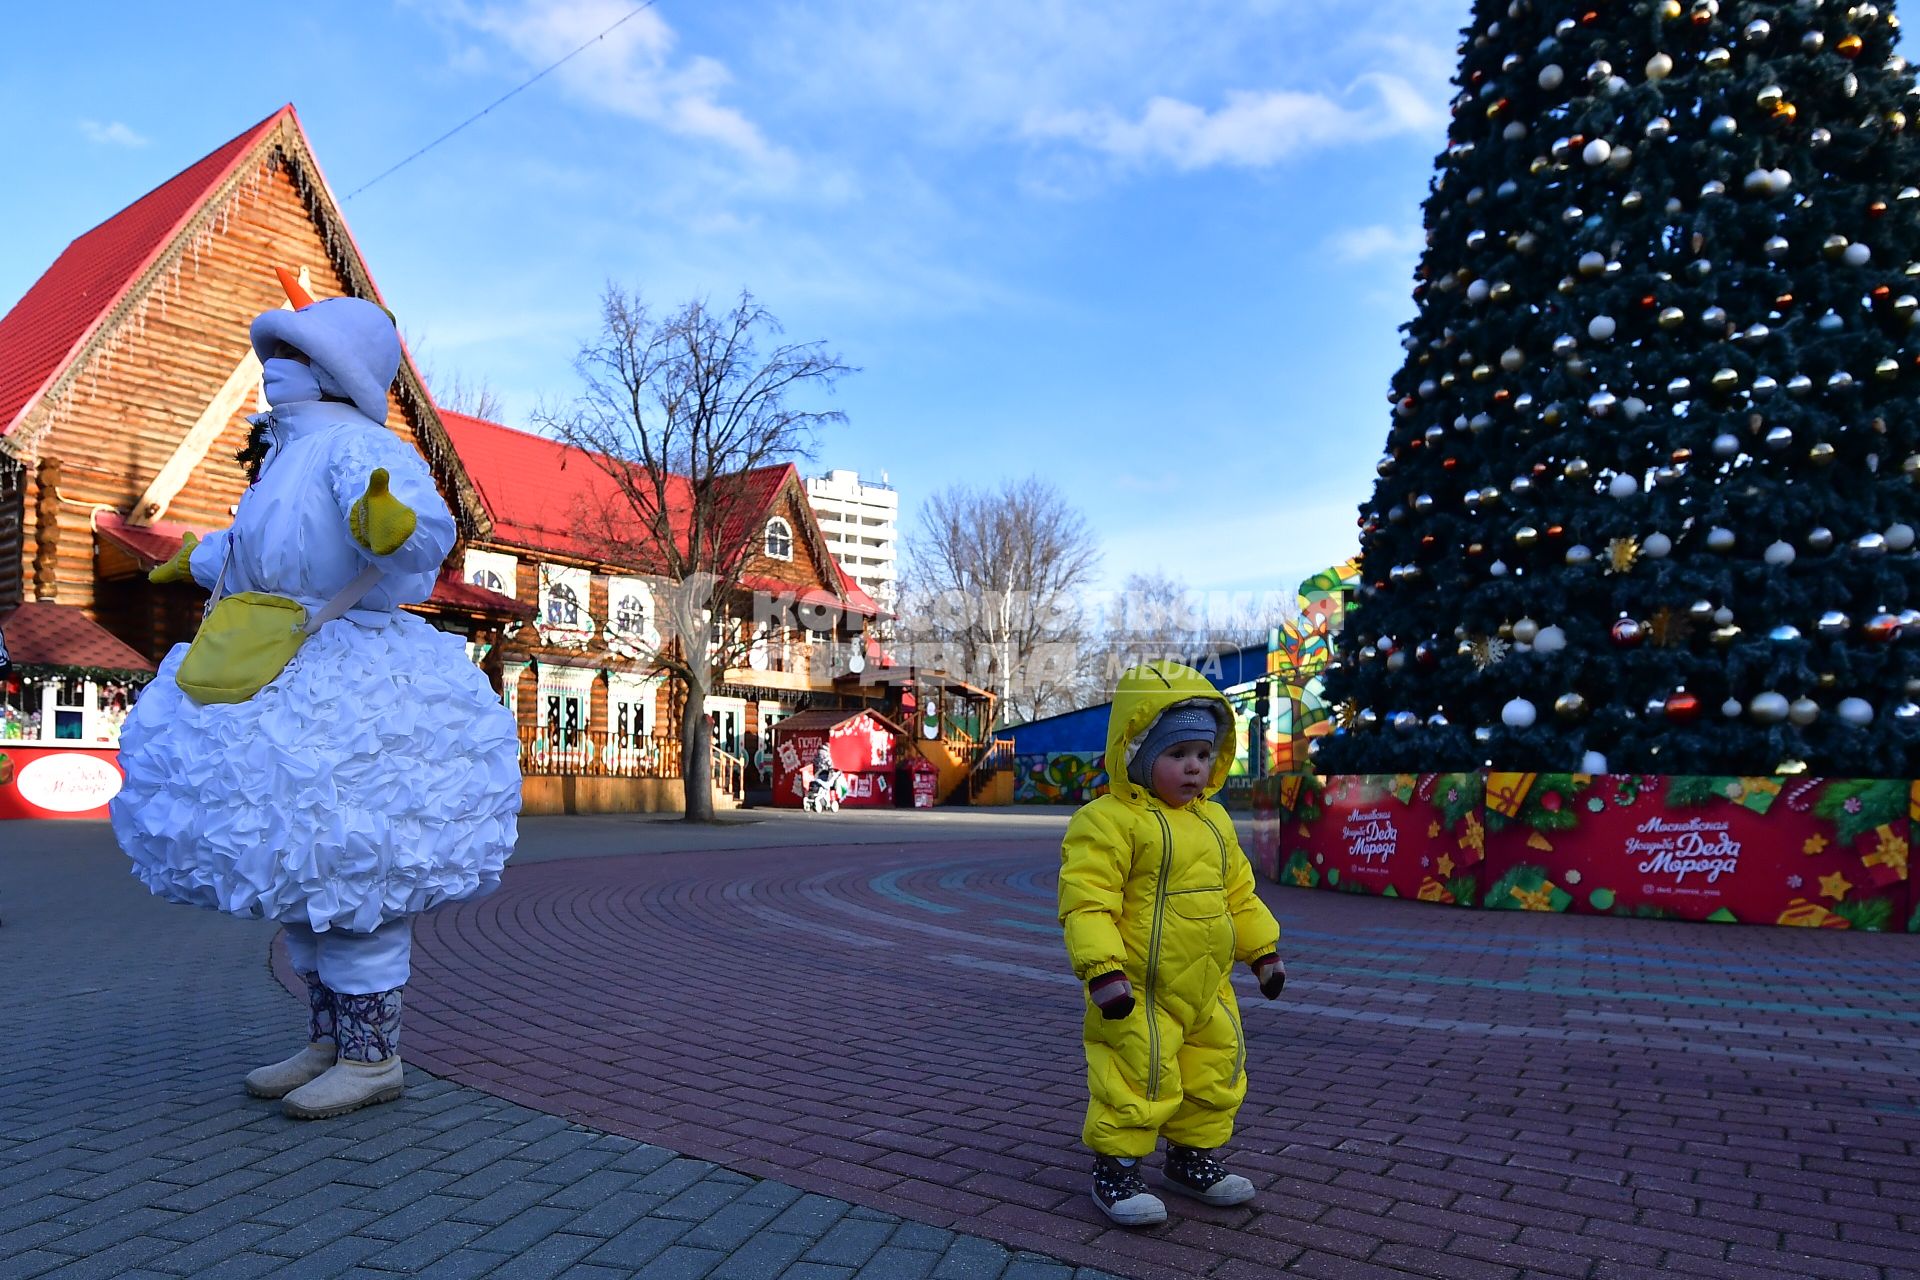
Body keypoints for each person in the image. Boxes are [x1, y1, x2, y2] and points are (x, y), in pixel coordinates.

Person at [111, 269, 521, 1120]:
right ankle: (329, 1040)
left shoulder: (356, 446)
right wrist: (192, 559)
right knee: (305, 873)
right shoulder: (287, 451)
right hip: (273, 657)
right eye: (277, 352)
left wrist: (392, 524)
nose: (274, 366)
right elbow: (252, 545)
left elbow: (415, 526)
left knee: (354, 863)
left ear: (333, 374)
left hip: (347, 664)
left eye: (294, 353)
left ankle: (376, 1060)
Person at [1058, 660, 1286, 1226]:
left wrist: (1263, 953)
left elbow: (1240, 895)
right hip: (1135, 987)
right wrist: (1104, 970)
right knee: (1137, 1070)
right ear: (1137, 755)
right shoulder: (1108, 821)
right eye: (1177, 754)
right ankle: (1116, 1168)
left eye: (1204, 755)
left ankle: (1191, 1157)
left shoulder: (1215, 823)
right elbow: (1088, 901)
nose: (1194, 768)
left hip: (1207, 985)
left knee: (1217, 1068)